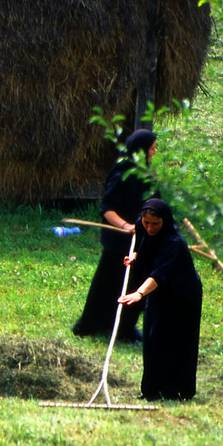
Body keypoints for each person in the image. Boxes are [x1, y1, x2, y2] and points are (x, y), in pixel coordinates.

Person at [72, 129, 158, 342]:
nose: (154, 153)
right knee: (110, 286)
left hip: (141, 241)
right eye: (152, 148)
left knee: (136, 286)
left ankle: (125, 328)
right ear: (141, 150)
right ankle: (101, 326)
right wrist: (126, 226)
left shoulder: (147, 173)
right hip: (119, 243)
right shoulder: (122, 171)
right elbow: (107, 208)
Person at [118, 198, 203, 401]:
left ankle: (175, 390)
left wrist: (139, 293)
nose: (150, 227)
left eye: (155, 224)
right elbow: (145, 245)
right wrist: (136, 257)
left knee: (175, 340)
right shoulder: (142, 226)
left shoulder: (174, 242)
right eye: (147, 223)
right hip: (160, 293)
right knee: (153, 337)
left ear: (165, 221)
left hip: (182, 294)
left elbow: (160, 273)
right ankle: (152, 389)